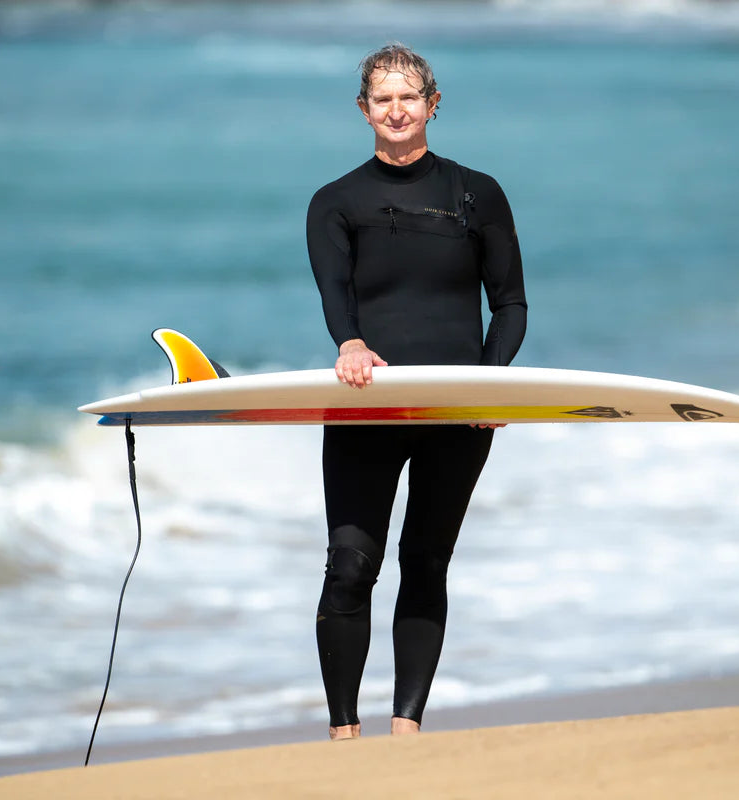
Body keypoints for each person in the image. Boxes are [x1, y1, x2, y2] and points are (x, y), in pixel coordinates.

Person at [306, 43, 527, 740]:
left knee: (425, 562)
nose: (396, 110)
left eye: (409, 97)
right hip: (367, 404)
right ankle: (343, 733)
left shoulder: (476, 193)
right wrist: (349, 345)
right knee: (349, 565)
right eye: (382, 99)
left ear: (433, 103)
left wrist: (489, 386)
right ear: (363, 109)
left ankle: (407, 731)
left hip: (455, 411)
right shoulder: (335, 202)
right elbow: (334, 293)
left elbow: (511, 303)